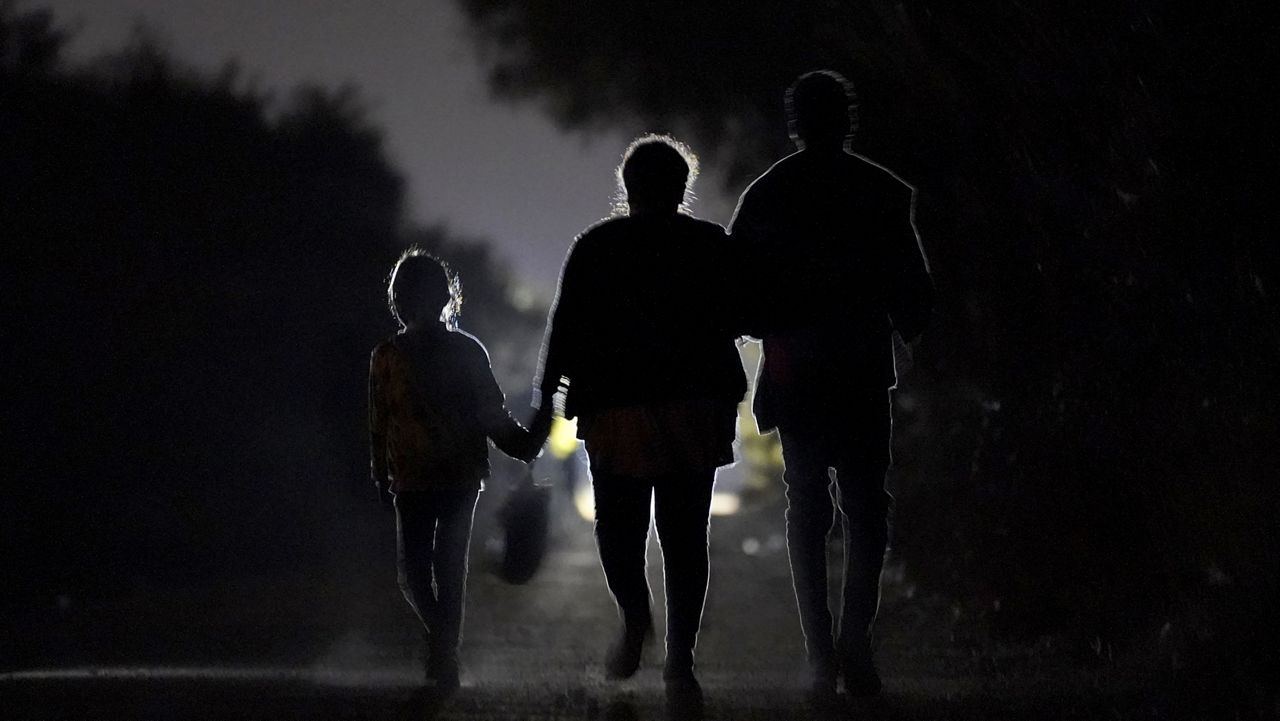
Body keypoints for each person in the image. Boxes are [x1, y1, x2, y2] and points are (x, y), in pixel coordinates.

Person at [729, 70, 935, 701]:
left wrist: (773, 320)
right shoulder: (883, 193)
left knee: (808, 506)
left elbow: (738, 297)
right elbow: (917, 306)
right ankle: (853, 644)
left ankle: (823, 651)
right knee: (866, 507)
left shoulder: (767, 194)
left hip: (797, 373)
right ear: (848, 118)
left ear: (796, 121)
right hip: (861, 374)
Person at [530, 136, 747, 704]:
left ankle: (635, 619)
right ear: (683, 189)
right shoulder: (708, 244)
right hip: (694, 407)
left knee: (618, 533)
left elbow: (565, 327)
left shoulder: (597, 246)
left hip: (615, 409)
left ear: (627, 187)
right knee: (683, 536)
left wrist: (542, 403)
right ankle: (681, 661)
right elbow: (743, 313)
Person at [368, 248, 542, 690]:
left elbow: (381, 420)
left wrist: (521, 442)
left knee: (430, 570)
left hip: (439, 477)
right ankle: (445, 647)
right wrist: (523, 442)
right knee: (436, 571)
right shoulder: (409, 354)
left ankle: (443, 651)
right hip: (434, 477)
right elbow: (381, 418)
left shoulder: (397, 355)